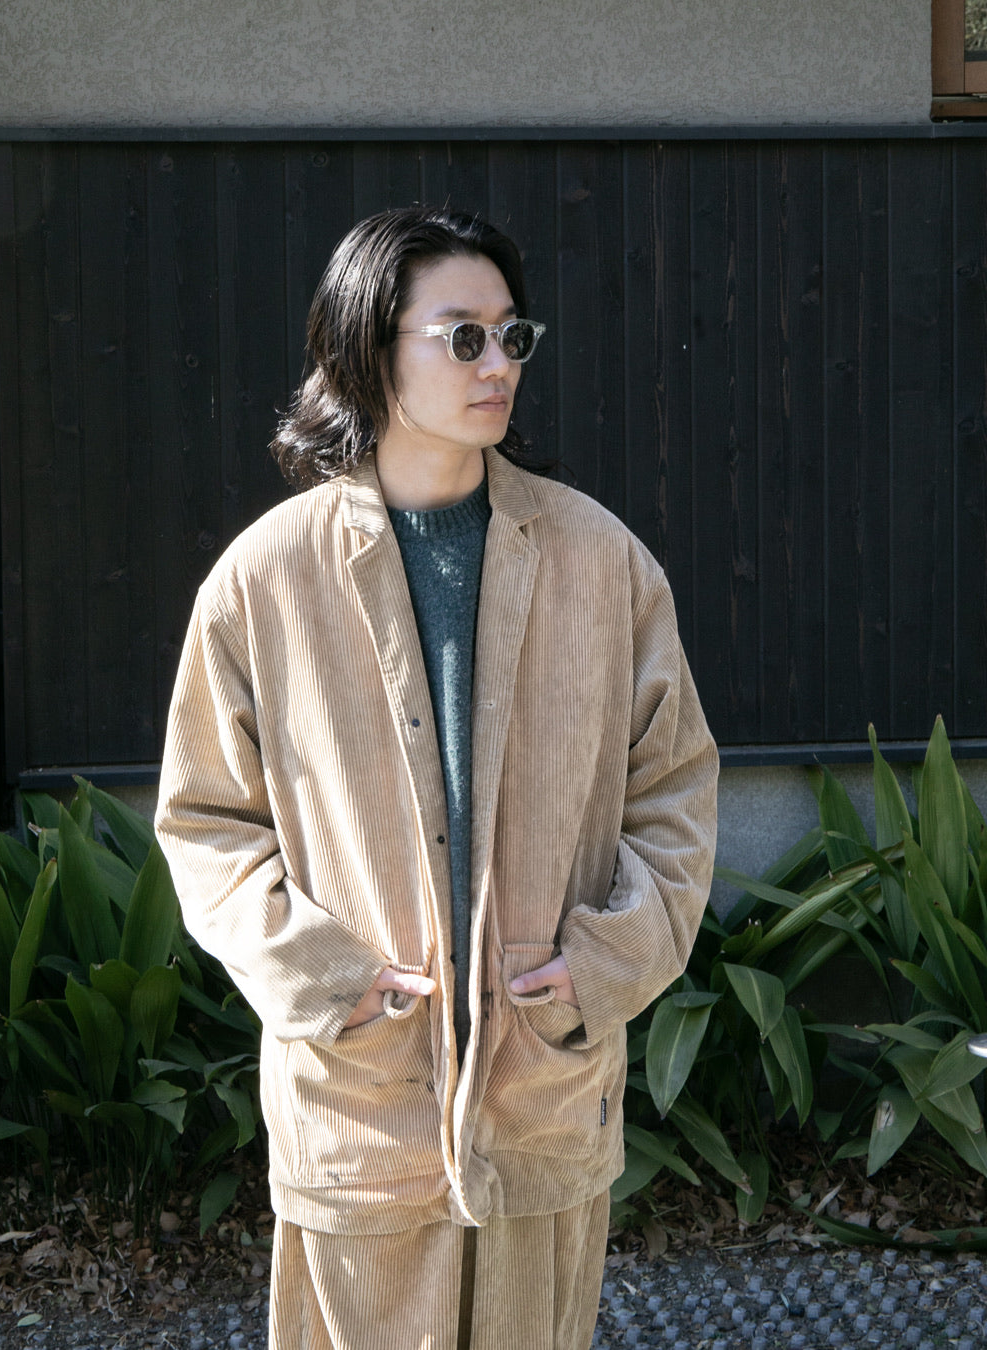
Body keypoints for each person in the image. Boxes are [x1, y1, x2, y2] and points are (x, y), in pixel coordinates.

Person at [155, 206, 719, 1350]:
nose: (498, 363)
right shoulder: (266, 580)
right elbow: (208, 819)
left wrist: (600, 968)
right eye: (463, 337)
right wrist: (325, 982)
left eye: (513, 335)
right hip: (360, 1098)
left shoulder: (600, 561)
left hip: (543, 1085)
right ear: (369, 350)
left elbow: (676, 793)